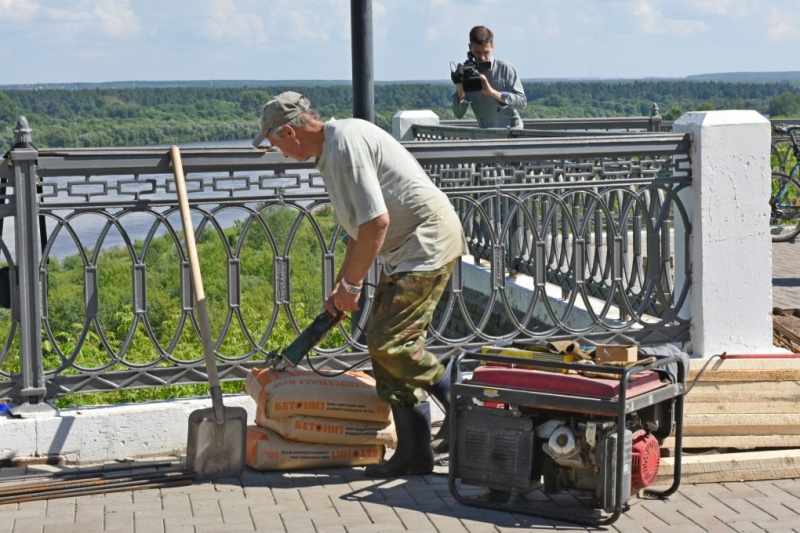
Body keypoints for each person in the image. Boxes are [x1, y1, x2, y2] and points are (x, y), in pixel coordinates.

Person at [252, 92, 468, 477]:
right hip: (407, 250)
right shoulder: (331, 152)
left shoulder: (346, 145)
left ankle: (462, 400)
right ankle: (415, 452)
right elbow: (359, 228)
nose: (279, 152)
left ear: (289, 130)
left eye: (275, 143)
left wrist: (351, 288)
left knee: (391, 343)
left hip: (427, 242)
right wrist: (340, 289)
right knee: (383, 345)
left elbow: (377, 224)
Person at [452, 25, 527, 129]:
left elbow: (522, 102)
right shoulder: (466, 72)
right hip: (486, 137)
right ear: (470, 47)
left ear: (492, 46)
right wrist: (461, 86)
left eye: (486, 52)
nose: (482, 57)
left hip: (511, 135)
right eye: (477, 52)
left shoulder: (505, 68)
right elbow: (458, 114)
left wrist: (492, 92)